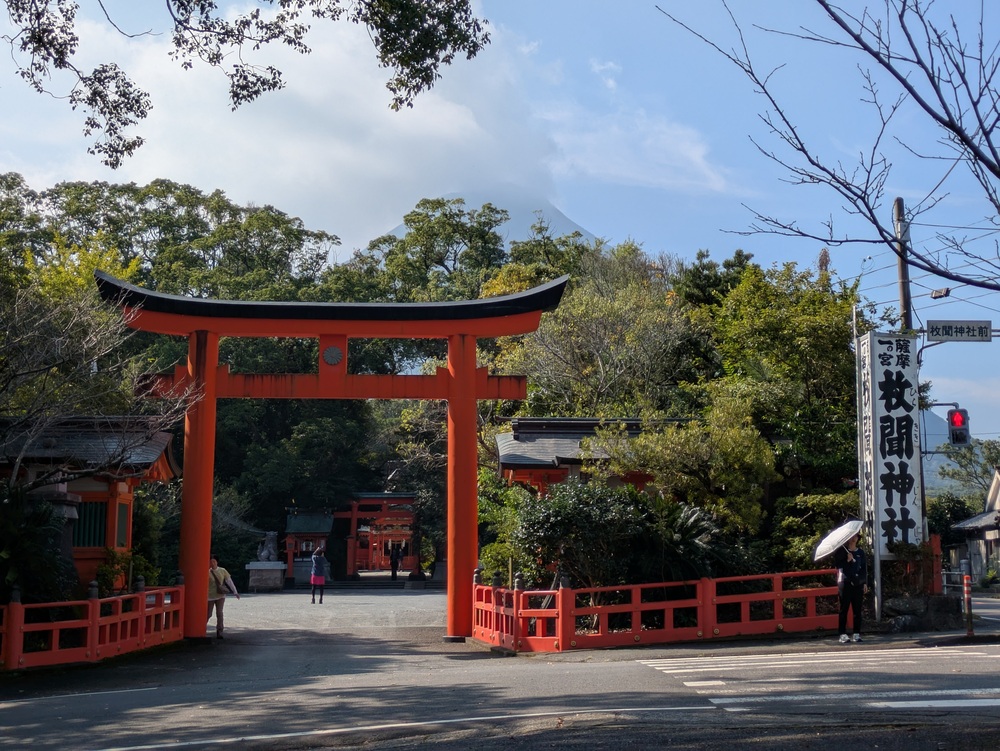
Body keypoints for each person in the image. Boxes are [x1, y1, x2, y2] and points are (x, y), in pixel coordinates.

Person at [833, 532, 867, 644]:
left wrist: (865, 583)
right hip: (845, 582)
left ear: (858, 538)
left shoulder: (860, 552)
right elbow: (838, 566)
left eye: (855, 536)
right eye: (851, 537)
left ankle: (856, 633)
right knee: (844, 609)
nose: (853, 538)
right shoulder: (842, 552)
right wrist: (847, 560)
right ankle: (842, 634)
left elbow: (863, 569)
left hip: (858, 583)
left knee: (857, 609)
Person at [208, 556, 239, 639]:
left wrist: (235, 592)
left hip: (220, 595)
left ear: (217, 562)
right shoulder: (207, 572)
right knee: (208, 614)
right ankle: (200, 629)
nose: (212, 563)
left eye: (214, 561)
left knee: (219, 613)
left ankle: (220, 631)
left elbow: (229, 581)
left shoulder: (222, 570)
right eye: (211, 562)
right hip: (209, 596)